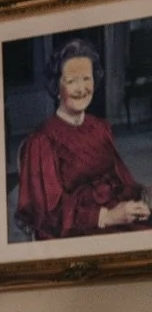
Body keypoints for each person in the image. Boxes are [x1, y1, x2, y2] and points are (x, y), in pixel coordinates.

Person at [15, 37, 151, 240]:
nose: (81, 88)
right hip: (77, 230)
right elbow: (49, 212)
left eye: (87, 78)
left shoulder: (100, 127)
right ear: (56, 87)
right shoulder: (42, 140)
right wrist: (106, 217)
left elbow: (121, 179)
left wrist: (141, 199)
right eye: (72, 81)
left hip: (117, 213)